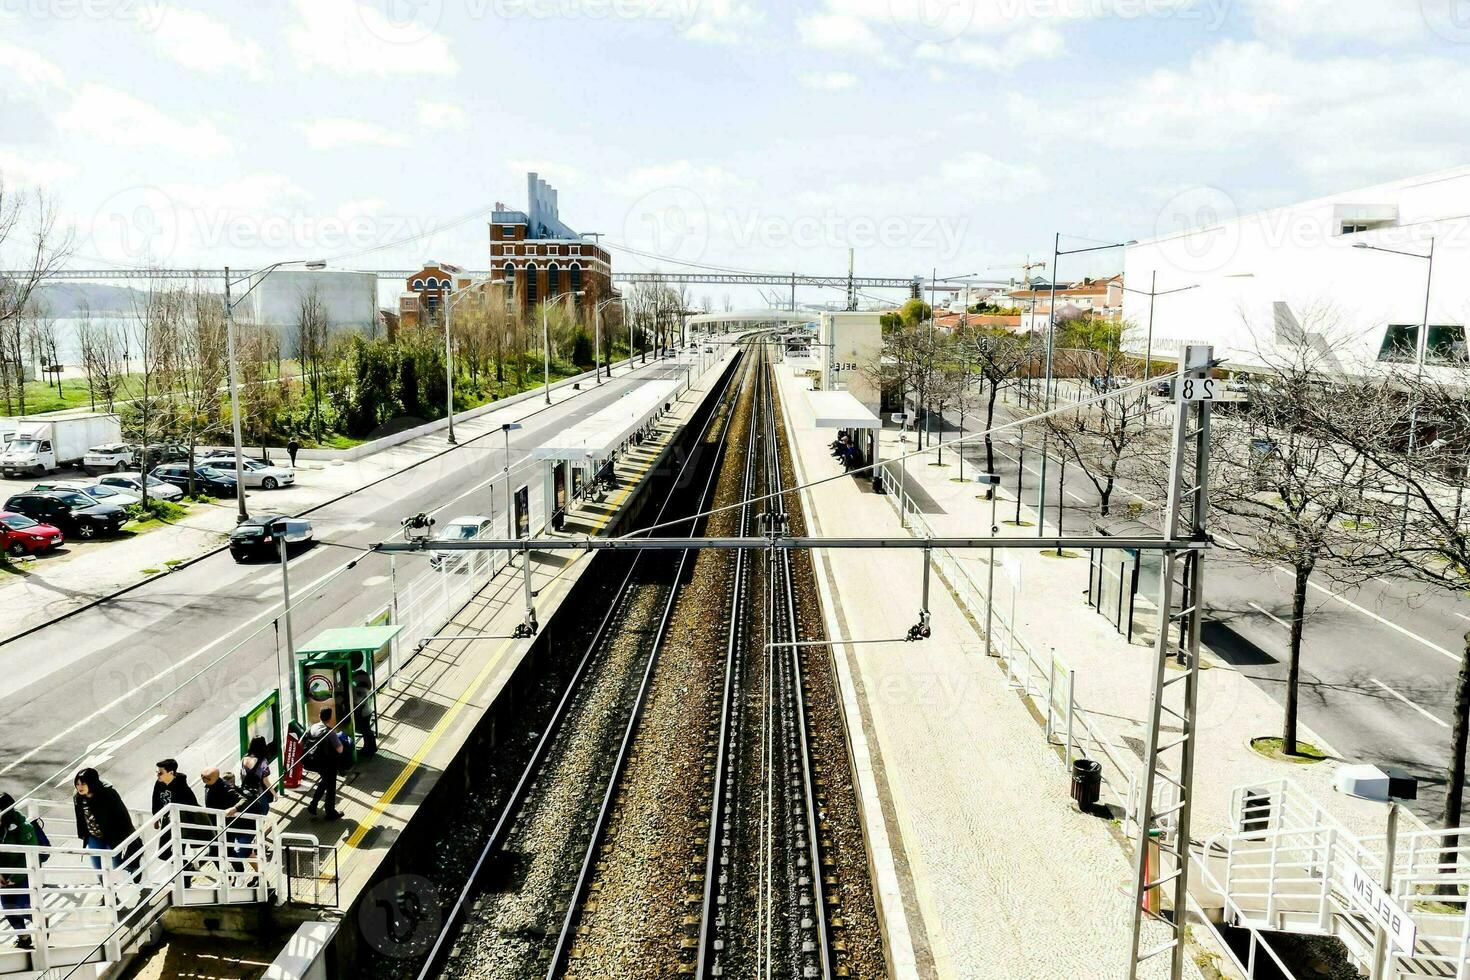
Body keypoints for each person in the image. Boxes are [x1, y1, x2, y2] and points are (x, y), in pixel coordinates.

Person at [73, 769, 139, 879]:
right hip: (93, 836)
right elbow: (79, 816)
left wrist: (129, 834)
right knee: (98, 868)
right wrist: (82, 834)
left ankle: (131, 867)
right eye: (77, 784)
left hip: (112, 835)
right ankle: (108, 893)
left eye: (83, 783)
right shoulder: (78, 797)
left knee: (116, 864)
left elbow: (123, 815)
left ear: (91, 783)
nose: (79, 787)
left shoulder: (109, 794)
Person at [0, 793, 37, 950]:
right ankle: (23, 937)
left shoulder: (23, 827)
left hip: (23, 872)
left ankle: (41, 921)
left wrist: (16, 876)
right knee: (8, 908)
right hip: (3, 874)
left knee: (22, 905)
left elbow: (31, 853)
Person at [150, 759, 200, 861]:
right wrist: (156, 817)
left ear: (171, 773)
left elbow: (192, 803)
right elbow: (155, 800)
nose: (157, 775)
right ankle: (188, 866)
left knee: (178, 850)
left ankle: (185, 872)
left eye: (160, 772)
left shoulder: (182, 786)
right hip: (167, 820)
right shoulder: (159, 783)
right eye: (157, 772)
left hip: (181, 821)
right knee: (163, 853)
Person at [306, 708, 345, 820]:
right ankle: (330, 813)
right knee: (331, 787)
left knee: (324, 782)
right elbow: (340, 749)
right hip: (327, 763)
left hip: (314, 761)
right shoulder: (330, 732)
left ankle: (313, 805)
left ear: (319, 716)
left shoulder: (313, 727)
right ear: (330, 718)